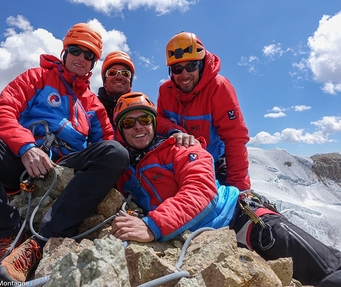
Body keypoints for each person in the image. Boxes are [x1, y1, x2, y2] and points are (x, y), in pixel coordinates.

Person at [0, 23, 129, 283]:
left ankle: (40, 241)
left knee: (115, 153)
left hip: (63, 167)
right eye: (76, 50)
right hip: (20, 160)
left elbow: (106, 143)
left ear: (93, 64)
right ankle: (7, 231)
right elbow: (2, 110)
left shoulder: (92, 106)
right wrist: (26, 146)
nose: (82, 58)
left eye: (89, 56)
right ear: (65, 52)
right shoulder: (36, 78)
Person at [110, 92, 341, 287]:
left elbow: (201, 190)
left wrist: (153, 225)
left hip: (243, 220)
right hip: (198, 240)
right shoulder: (126, 171)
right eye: (129, 123)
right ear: (121, 130)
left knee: (330, 272)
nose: (138, 127)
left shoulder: (181, 148)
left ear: (154, 123)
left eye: (145, 120)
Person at [157, 32, 251, 191]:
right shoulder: (165, 90)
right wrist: (174, 131)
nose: (184, 75)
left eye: (191, 66)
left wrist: (239, 188)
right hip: (179, 164)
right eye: (177, 68)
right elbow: (158, 121)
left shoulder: (219, 87)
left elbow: (235, 137)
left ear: (201, 64)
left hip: (213, 163)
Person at [98, 50, 195, 147]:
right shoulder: (93, 108)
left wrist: (175, 132)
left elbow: (157, 121)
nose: (119, 76)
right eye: (112, 72)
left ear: (130, 82)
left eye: (125, 73)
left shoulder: (140, 106)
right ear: (104, 81)